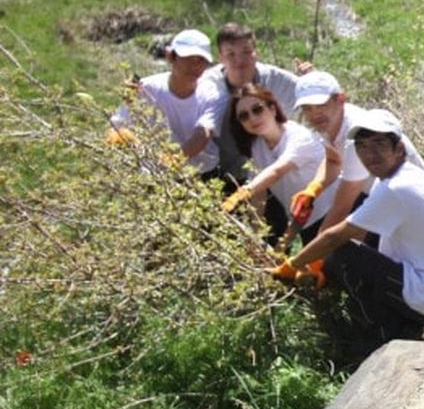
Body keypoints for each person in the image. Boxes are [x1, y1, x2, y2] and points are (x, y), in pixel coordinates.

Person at [273, 109, 424, 356]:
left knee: (341, 253)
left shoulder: (397, 188)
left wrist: (294, 263)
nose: (369, 153)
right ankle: (390, 323)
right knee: (348, 253)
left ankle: (381, 335)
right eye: (362, 145)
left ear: (399, 149)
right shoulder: (400, 177)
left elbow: (335, 236)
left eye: (379, 144)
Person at [288, 70, 424, 241]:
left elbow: (343, 204)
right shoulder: (329, 124)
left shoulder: (357, 133)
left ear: (340, 99)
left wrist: (314, 255)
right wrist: (313, 189)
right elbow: (333, 161)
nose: (314, 114)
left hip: (411, 205)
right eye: (307, 108)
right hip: (383, 197)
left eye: (321, 105)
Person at [204, 23, 299, 235]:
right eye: (231, 54)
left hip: (267, 171)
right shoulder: (208, 84)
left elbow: (313, 94)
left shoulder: (276, 80)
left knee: (270, 235)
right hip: (220, 172)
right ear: (220, 57)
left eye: (246, 52)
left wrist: (314, 77)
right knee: (219, 237)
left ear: (256, 53)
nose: (239, 61)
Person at [220, 84, 329, 246]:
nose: (252, 118)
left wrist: (239, 195)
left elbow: (277, 171)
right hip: (306, 223)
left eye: (257, 109)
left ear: (272, 109)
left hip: (334, 213)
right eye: (244, 116)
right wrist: (255, 236)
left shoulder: (298, 137)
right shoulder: (258, 146)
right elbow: (259, 193)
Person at [108, 28, 222, 177]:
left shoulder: (212, 94)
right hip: (155, 174)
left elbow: (201, 136)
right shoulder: (147, 88)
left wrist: (168, 163)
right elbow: (118, 126)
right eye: (188, 58)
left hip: (201, 174)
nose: (194, 66)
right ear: (171, 57)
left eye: (200, 60)